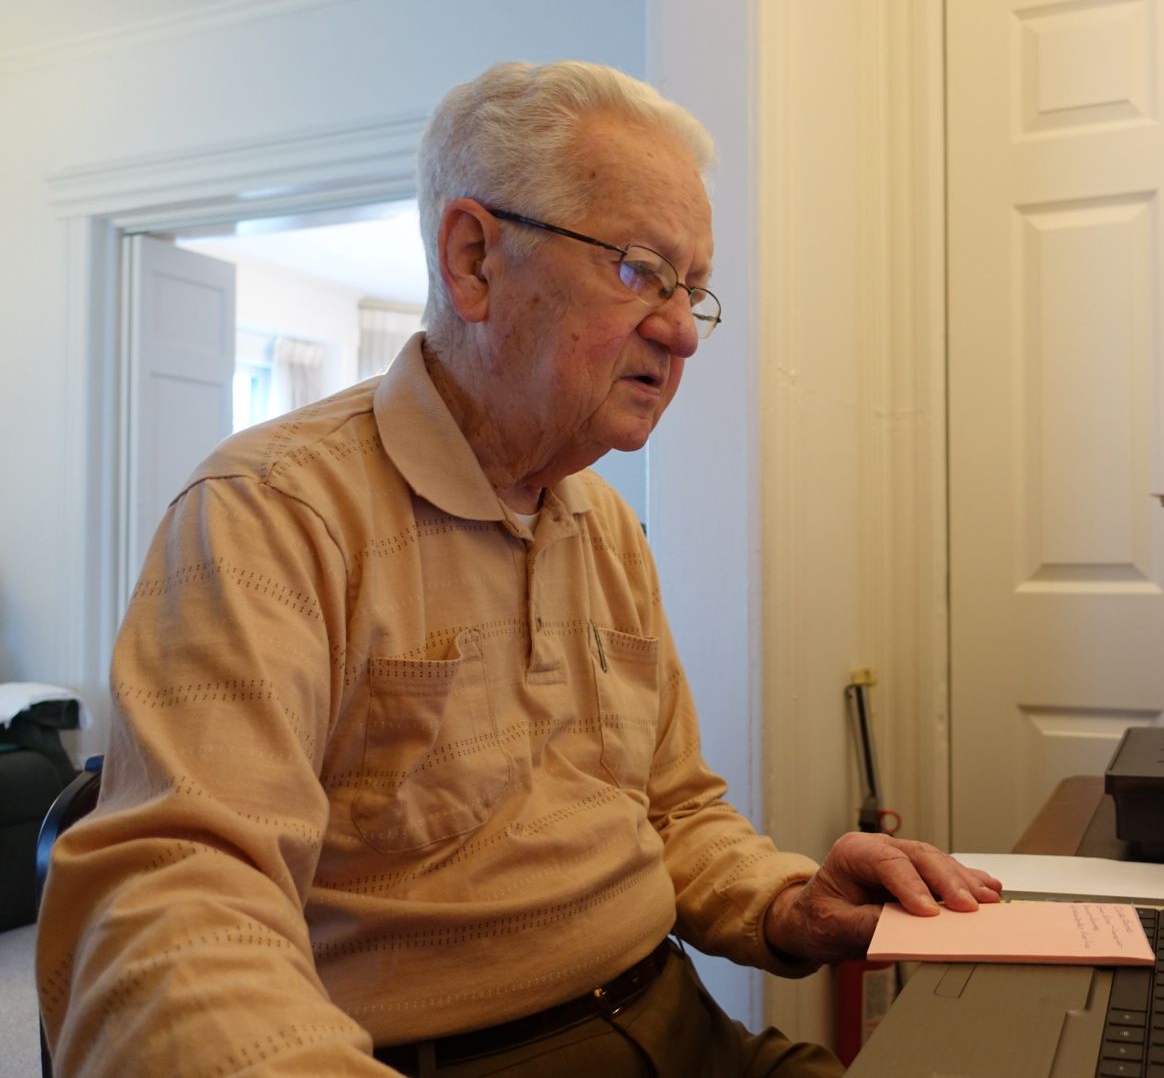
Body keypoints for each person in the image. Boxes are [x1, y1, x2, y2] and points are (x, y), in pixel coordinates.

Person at [36, 60, 1002, 1077]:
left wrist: (785, 902)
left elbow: (671, 810)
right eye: (639, 269)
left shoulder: (605, 528)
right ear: (472, 260)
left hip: (672, 1016)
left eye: (694, 289)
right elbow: (177, 902)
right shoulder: (271, 514)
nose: (680, 331)